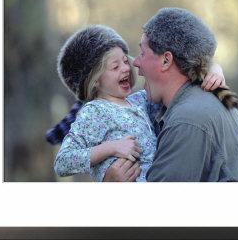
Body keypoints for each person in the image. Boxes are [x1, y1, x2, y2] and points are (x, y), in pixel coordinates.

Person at [103, 7, 238, 182]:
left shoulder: (187, 121)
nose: (136, 63)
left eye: (142, 53)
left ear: (166, 60)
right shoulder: (202, 101)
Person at [51, 24, 225, 182]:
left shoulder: (141, 101)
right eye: (115, 67)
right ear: (95, 80)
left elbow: (177, 84)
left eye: (125, 61)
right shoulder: (94, 112)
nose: (126, 68)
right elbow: (63, 162)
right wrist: (112, 148)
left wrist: (213, 69)